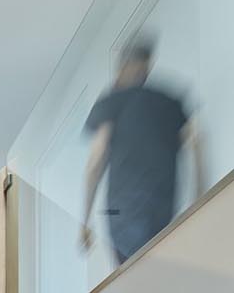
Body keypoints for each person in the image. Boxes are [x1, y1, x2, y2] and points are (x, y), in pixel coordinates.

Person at [80, 36, 206, 268]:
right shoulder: (171, 102)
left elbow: (95, 161)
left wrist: (84, 221)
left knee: (132, 279)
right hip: (162, 209)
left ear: (123, 66)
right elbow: (195, 143)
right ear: (148, 65)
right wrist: (199, 202)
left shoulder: (112, 102)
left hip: (123, 212)